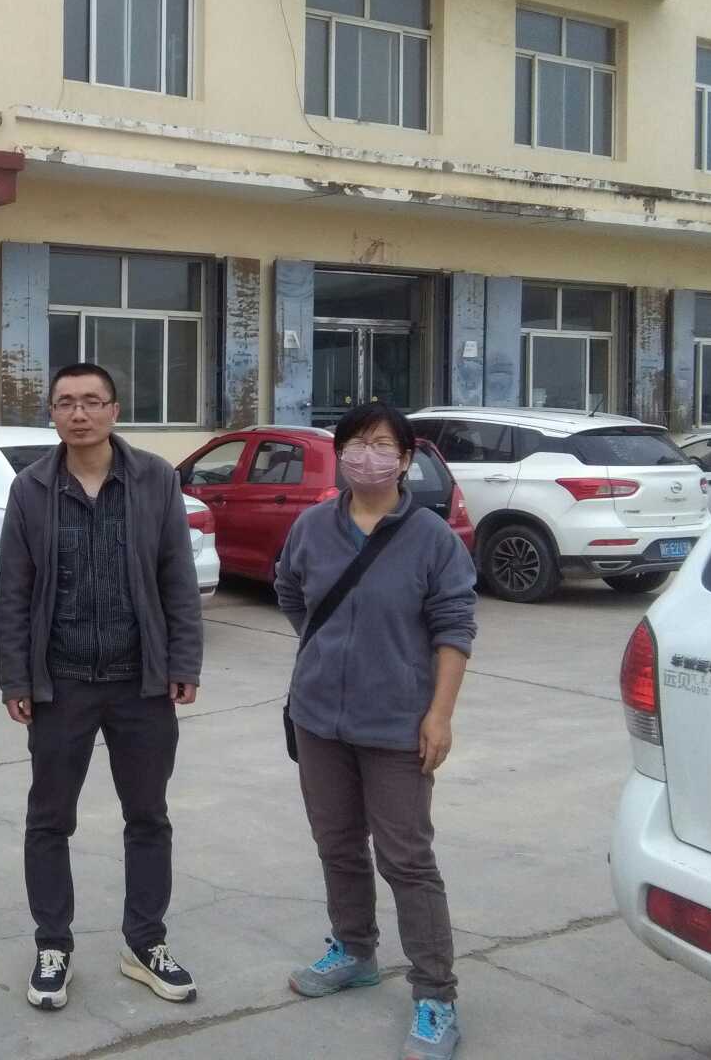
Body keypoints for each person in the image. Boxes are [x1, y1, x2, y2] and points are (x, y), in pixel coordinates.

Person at [0, 362, 204, 1012]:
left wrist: (183, 661)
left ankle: (145, 943)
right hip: (60, 685)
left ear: (114, 410)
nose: (79, 413)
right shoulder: (32, 488)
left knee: (148, 817)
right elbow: (14, 591)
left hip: (140, 683)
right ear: (52, 413)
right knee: (49, 819)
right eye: (66, 402)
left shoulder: (155, 479)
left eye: (92, 401)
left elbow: (177, 576)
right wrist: (16, 676)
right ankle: (52, 945)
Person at [274, 402, 477, 1060]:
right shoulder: (312, 527)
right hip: (318, 720)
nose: (367, 456)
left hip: (396, 725)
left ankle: (436, 994)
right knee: (336, 843)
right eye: (355, 444)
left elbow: (455, 628)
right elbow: (290, 591)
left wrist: (439, 714)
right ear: (339, 455)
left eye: (382, 444)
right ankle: (355, 950)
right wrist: (327, 649)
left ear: (405, 458)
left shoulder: (432, 538)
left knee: (407, 860)